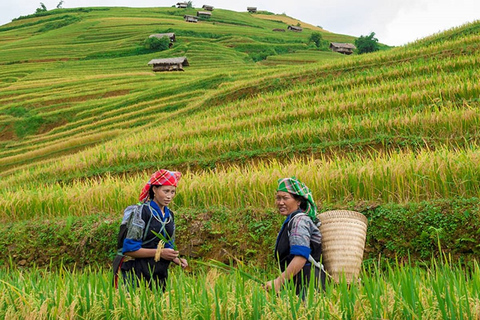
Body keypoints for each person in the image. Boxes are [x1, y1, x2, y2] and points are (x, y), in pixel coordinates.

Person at [121, 169, 188, 290]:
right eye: (166, 191)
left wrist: (177, 259)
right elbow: (129, 249)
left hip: (160, 275)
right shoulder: (142, 212)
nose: (169, 196)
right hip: (138, 274)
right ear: (154, 190)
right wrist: (159, 253)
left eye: (173, 192)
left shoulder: (170, 215)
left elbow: (168, 245)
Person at [265, 177, 325, 296]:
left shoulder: (299, 221)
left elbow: (301, 257)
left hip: (309, 284)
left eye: (285, 198)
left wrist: (278, 281)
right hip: (299, 281)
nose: (280, 202)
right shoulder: (292, 220)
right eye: (278, 198)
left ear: (298, 201)